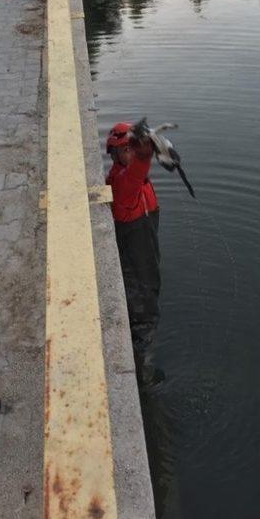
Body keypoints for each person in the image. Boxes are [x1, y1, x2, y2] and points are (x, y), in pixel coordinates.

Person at [106, 123, 162, 385]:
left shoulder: (139, 183)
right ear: (115, 154)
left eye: (133, 149)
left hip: (146, 266)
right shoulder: (123, 184)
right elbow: (137, 171)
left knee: (145, 318)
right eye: (126, 150)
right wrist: (145, 152)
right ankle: (143, 383)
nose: (131, 155)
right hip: (136, 278)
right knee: (144, 326)